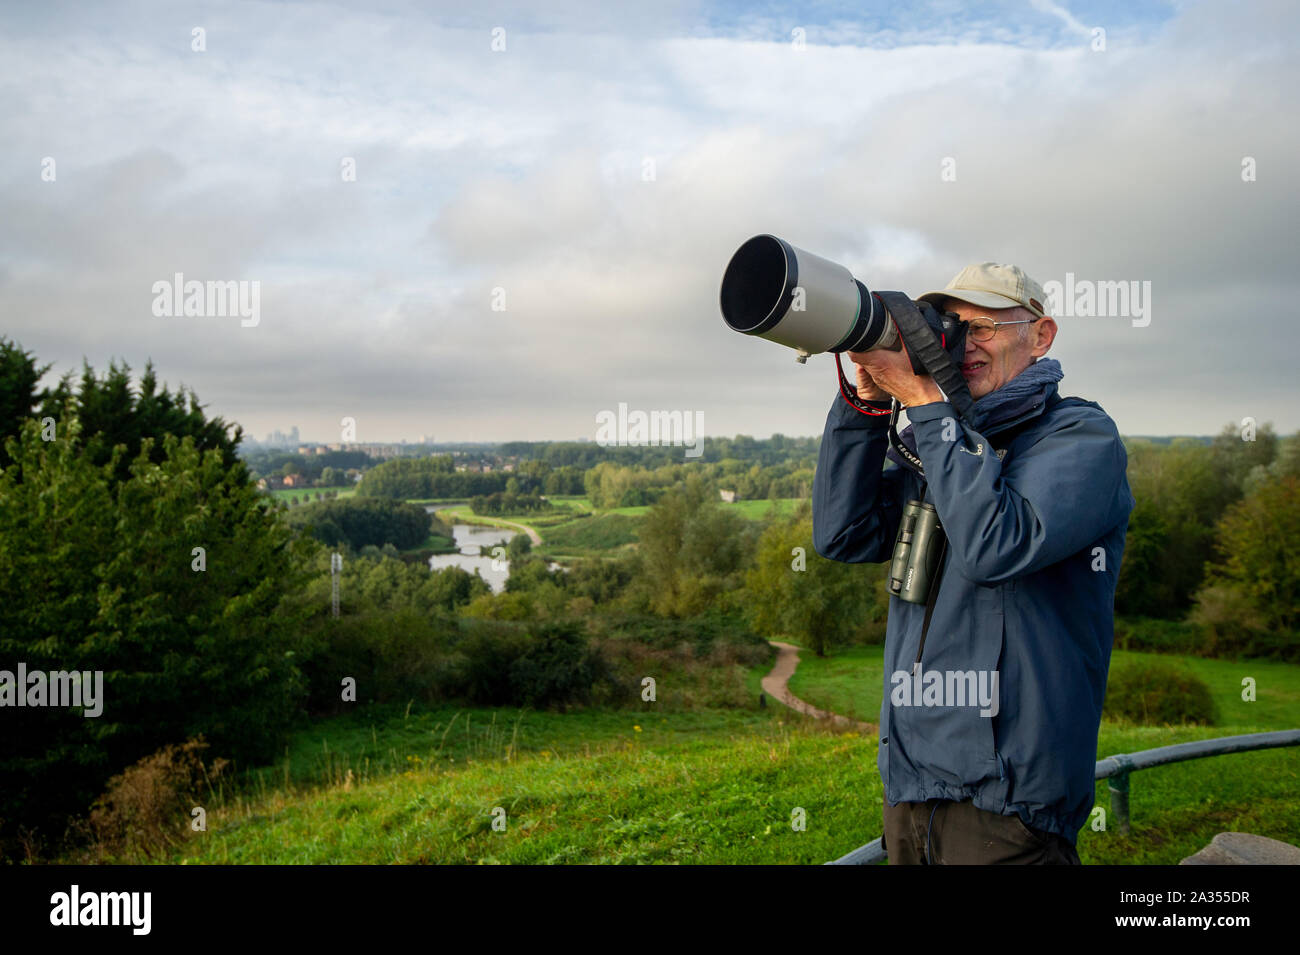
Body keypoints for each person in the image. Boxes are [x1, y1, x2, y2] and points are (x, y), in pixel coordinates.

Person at [812, 262, 1135, 864]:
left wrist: (928, 407)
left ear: (1041, 336)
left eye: (983, 325)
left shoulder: (1079, 436)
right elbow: (843, 533)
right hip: (911, 785)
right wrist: (865, 405)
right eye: (950, 326)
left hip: (1011, 798)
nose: (964, 342)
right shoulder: (944, 447)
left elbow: (998, 545)